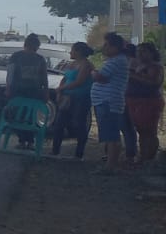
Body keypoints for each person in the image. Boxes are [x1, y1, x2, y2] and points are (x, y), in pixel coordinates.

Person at [89, 31, 130, 173]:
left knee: (111, 135)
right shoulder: (115, 60)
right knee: (109, 134)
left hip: (109, 101)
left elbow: (101, 77)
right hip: (106, 101)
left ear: (115, 47)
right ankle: (111, 163)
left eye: (107, 45)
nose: (104, 47)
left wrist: (93, 73)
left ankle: (110, 166)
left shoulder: (117, 60)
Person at [4, 33, 52, 148]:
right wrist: (46, 93)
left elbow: (10, 74)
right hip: (35, 92)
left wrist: (8, 89)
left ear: (25, 44)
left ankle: (22, 140)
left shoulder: (16, 56)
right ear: (37, 47)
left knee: (16, 116)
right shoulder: (40, 59)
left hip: (17, 91)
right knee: (31, 117)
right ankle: (30, 141)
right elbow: (44, 78)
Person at [48, 42, 94, 158]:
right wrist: (60, 91)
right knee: (59, 124)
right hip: (67, 97)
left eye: (72, 50)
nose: (70, 52)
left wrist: (61, 88)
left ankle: (79, 153)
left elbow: (79, 82)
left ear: (78, 52)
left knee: (79, 124)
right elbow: (65, 78)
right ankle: (55, 150)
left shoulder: (86, 65)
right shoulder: (71, 64)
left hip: (81, 98)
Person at [126, 40, 164, 164]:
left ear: (152, 53)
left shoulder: (155, 66)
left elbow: (154, 83)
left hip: (149, 100)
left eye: (144, 52)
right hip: (135, 100)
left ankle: (150, 158)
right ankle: (143, 156)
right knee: (141, 131)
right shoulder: (137, 65)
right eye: (138, 51)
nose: (140, 54)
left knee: (149, 131)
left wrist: (133, 76)